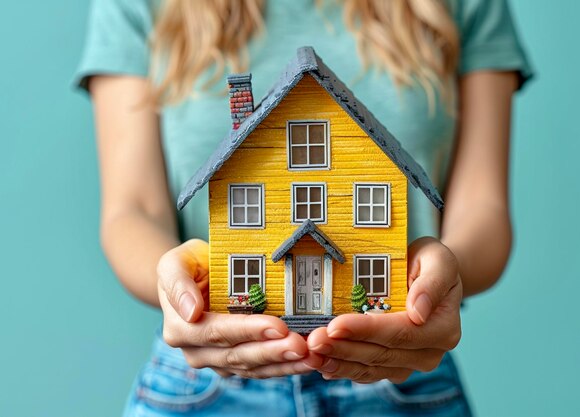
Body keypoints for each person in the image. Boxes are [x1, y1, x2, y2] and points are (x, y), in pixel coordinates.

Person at [74, 0, 532, 415]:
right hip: (203, 380)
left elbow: (483, 209)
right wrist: (178, 285)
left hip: (401, 374)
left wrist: (440, 278)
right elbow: (131, 210)